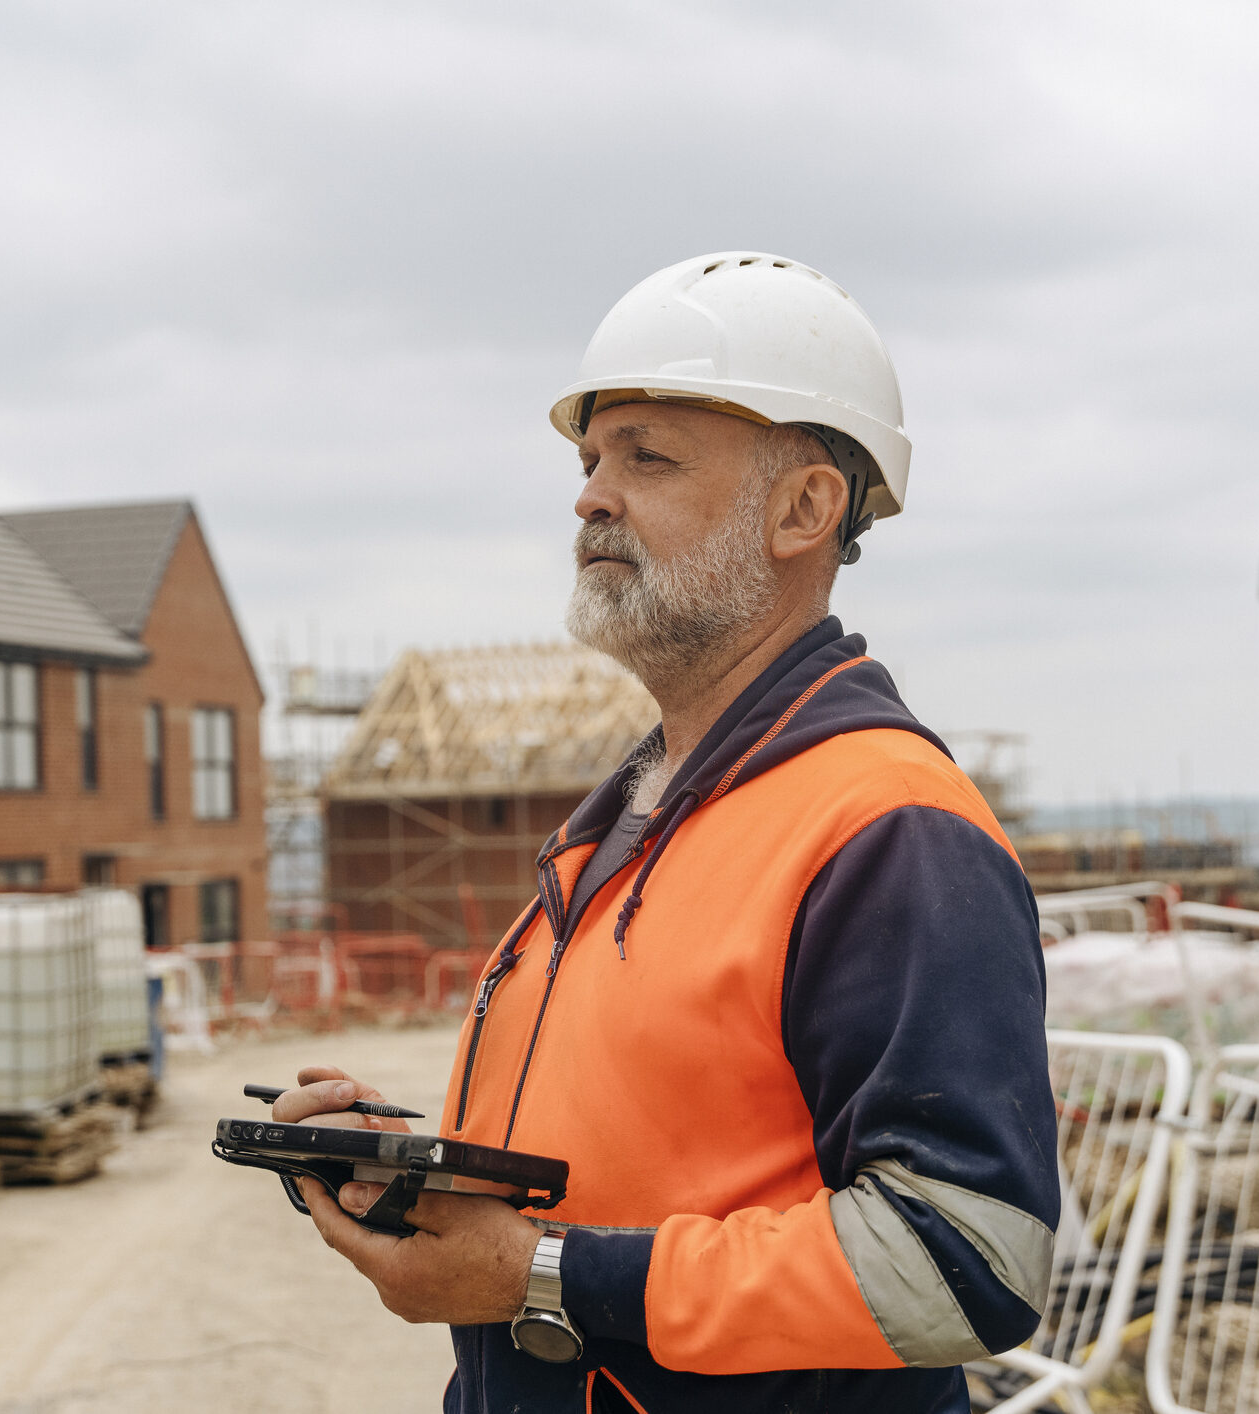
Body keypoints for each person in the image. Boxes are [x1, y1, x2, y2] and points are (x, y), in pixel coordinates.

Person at [275, 253, 1059, 1413]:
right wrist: (410, 1171)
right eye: (593, 459)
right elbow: (638, 1162)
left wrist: (540, 1272)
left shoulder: (887, 829)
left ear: (805, 508)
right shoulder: (628, 822)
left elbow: (965, 1263)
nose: (591, 494)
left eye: (649, 456)